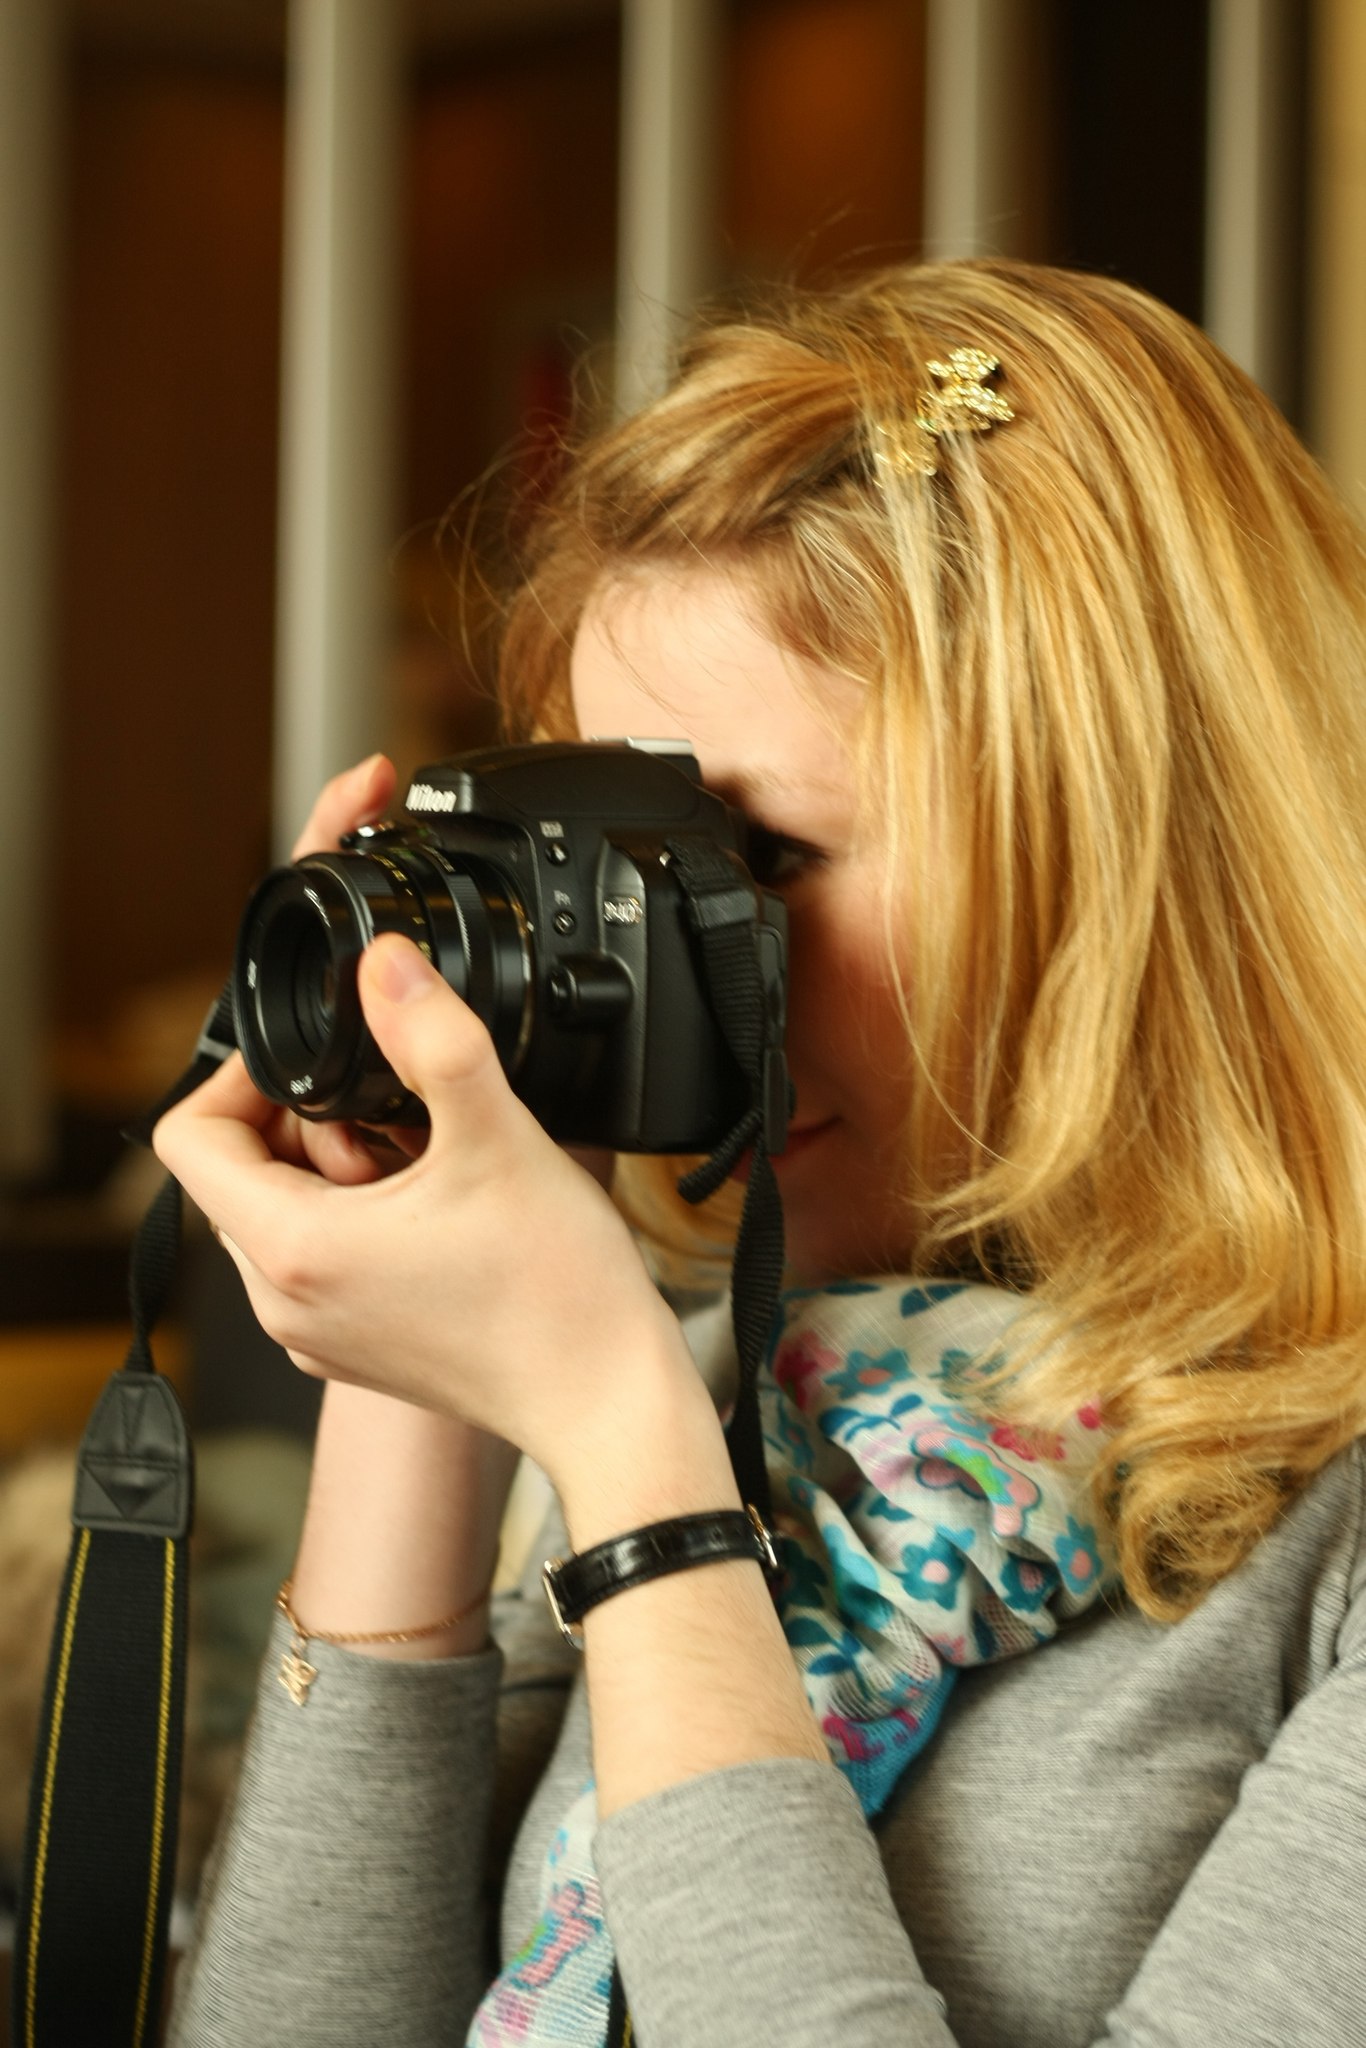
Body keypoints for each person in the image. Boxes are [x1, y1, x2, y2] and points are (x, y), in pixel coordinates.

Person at [154, 258, 1366, 2048]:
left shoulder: (1322, 1542)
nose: (665, 958)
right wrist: (413, 1390)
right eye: (615, 857)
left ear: (1135, 867)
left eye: (756, 861)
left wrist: (630, 1467)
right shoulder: (761, 1398)